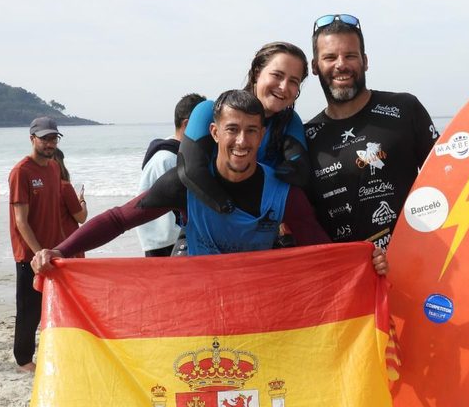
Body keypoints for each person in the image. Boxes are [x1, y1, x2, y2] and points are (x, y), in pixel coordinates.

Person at [31, 90, 389, 274]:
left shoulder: (282, 193)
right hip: (197, 298)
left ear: (262, 133)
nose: (242, 141)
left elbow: (320, 248)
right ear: (215, 132)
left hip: (256, 302)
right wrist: (61, 250)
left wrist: (365, 261)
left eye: (252, 131)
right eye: (232, 130)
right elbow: (119, 219)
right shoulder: (185, 185)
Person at [305, 14, 469, 248]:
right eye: (330, 57)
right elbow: (300, 216)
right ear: (315, 66)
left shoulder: (403, 109)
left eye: (350, 55)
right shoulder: (308, 136)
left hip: (417, 262)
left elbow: (454, 178)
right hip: (348, 275)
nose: (341, 64)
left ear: (365, 61)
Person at [178, 42, 311, 215]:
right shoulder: (208, 111)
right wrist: (227, 208)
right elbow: (189, 170)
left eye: (294, 81)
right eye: (277, 75)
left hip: (257, 225)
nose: (284, 86)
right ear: (257, 73)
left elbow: (299, 172)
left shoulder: (289, 121)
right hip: (208, 220)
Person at [8, 116, 66, 371]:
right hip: (29, 255)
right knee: (29, 310)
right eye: (45, 139)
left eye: (54, 138)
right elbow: (20, 221)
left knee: (53, 307)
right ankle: (23, 360)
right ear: (32, 139)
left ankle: (51, 352)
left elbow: (56, 211)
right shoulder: (21, 172)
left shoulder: (54, 168)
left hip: (54, 251)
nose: (50, 143)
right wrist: (38, 252)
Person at [137, 93, 205, 257]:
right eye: (205, 124)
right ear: (187, 125)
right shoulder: (167, 159)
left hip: (164, 239)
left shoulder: (172, 151)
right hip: (164, 241)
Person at [53, 148, 88, 257]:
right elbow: (81, 218)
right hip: (68, 240)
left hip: (50, 240)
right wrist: (82, 200)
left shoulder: (42, 187)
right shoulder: (64, 187)